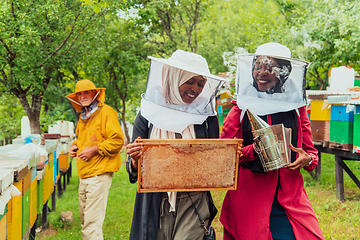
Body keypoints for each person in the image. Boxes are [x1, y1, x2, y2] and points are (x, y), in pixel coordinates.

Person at [220, 43, 325, 239]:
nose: (261, 72)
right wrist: (256, 149)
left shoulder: (296, 107)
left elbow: (311, 153)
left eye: (269, 68)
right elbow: (224, 154)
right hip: (250, 198)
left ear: (283, 73)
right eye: (257, 66)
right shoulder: (240, 107)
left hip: (290, 197)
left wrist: (307, 159)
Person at [126, 50, 227, 240]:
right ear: (173, 77)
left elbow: (213, 162)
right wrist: (134, 159)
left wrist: (226, 156)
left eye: (201, 83)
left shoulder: (206, 117)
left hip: (194, 200)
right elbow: (133, 173)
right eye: (190, 81)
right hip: (155, 201)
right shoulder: (147, 114)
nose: (195, 89)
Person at [66, 79, 125, 240]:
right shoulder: (83, 115)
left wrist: (95, 150)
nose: (83, 96)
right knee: (86, 220)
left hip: (99, 174)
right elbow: (81, 139)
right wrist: (74, 146)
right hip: (84, 174)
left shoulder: (106, 112)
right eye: (80, 93)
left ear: (95, 93)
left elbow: (118, 140)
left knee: (91, 224)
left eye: (86, 92)